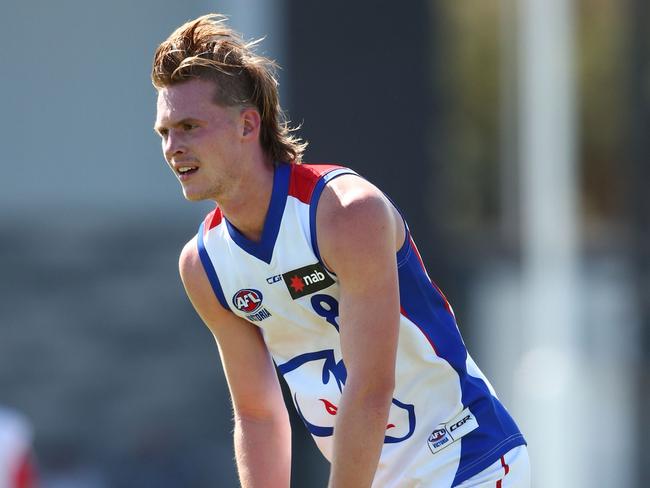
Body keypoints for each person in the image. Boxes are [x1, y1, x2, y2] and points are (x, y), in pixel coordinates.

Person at [152, 14, 529, 488]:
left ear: (248, 125)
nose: (173, 147)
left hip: (467, 460)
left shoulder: (348, 213)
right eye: (164, 132)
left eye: (188, 126)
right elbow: (258, 413)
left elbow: (371, 388)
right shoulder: (203, 265)